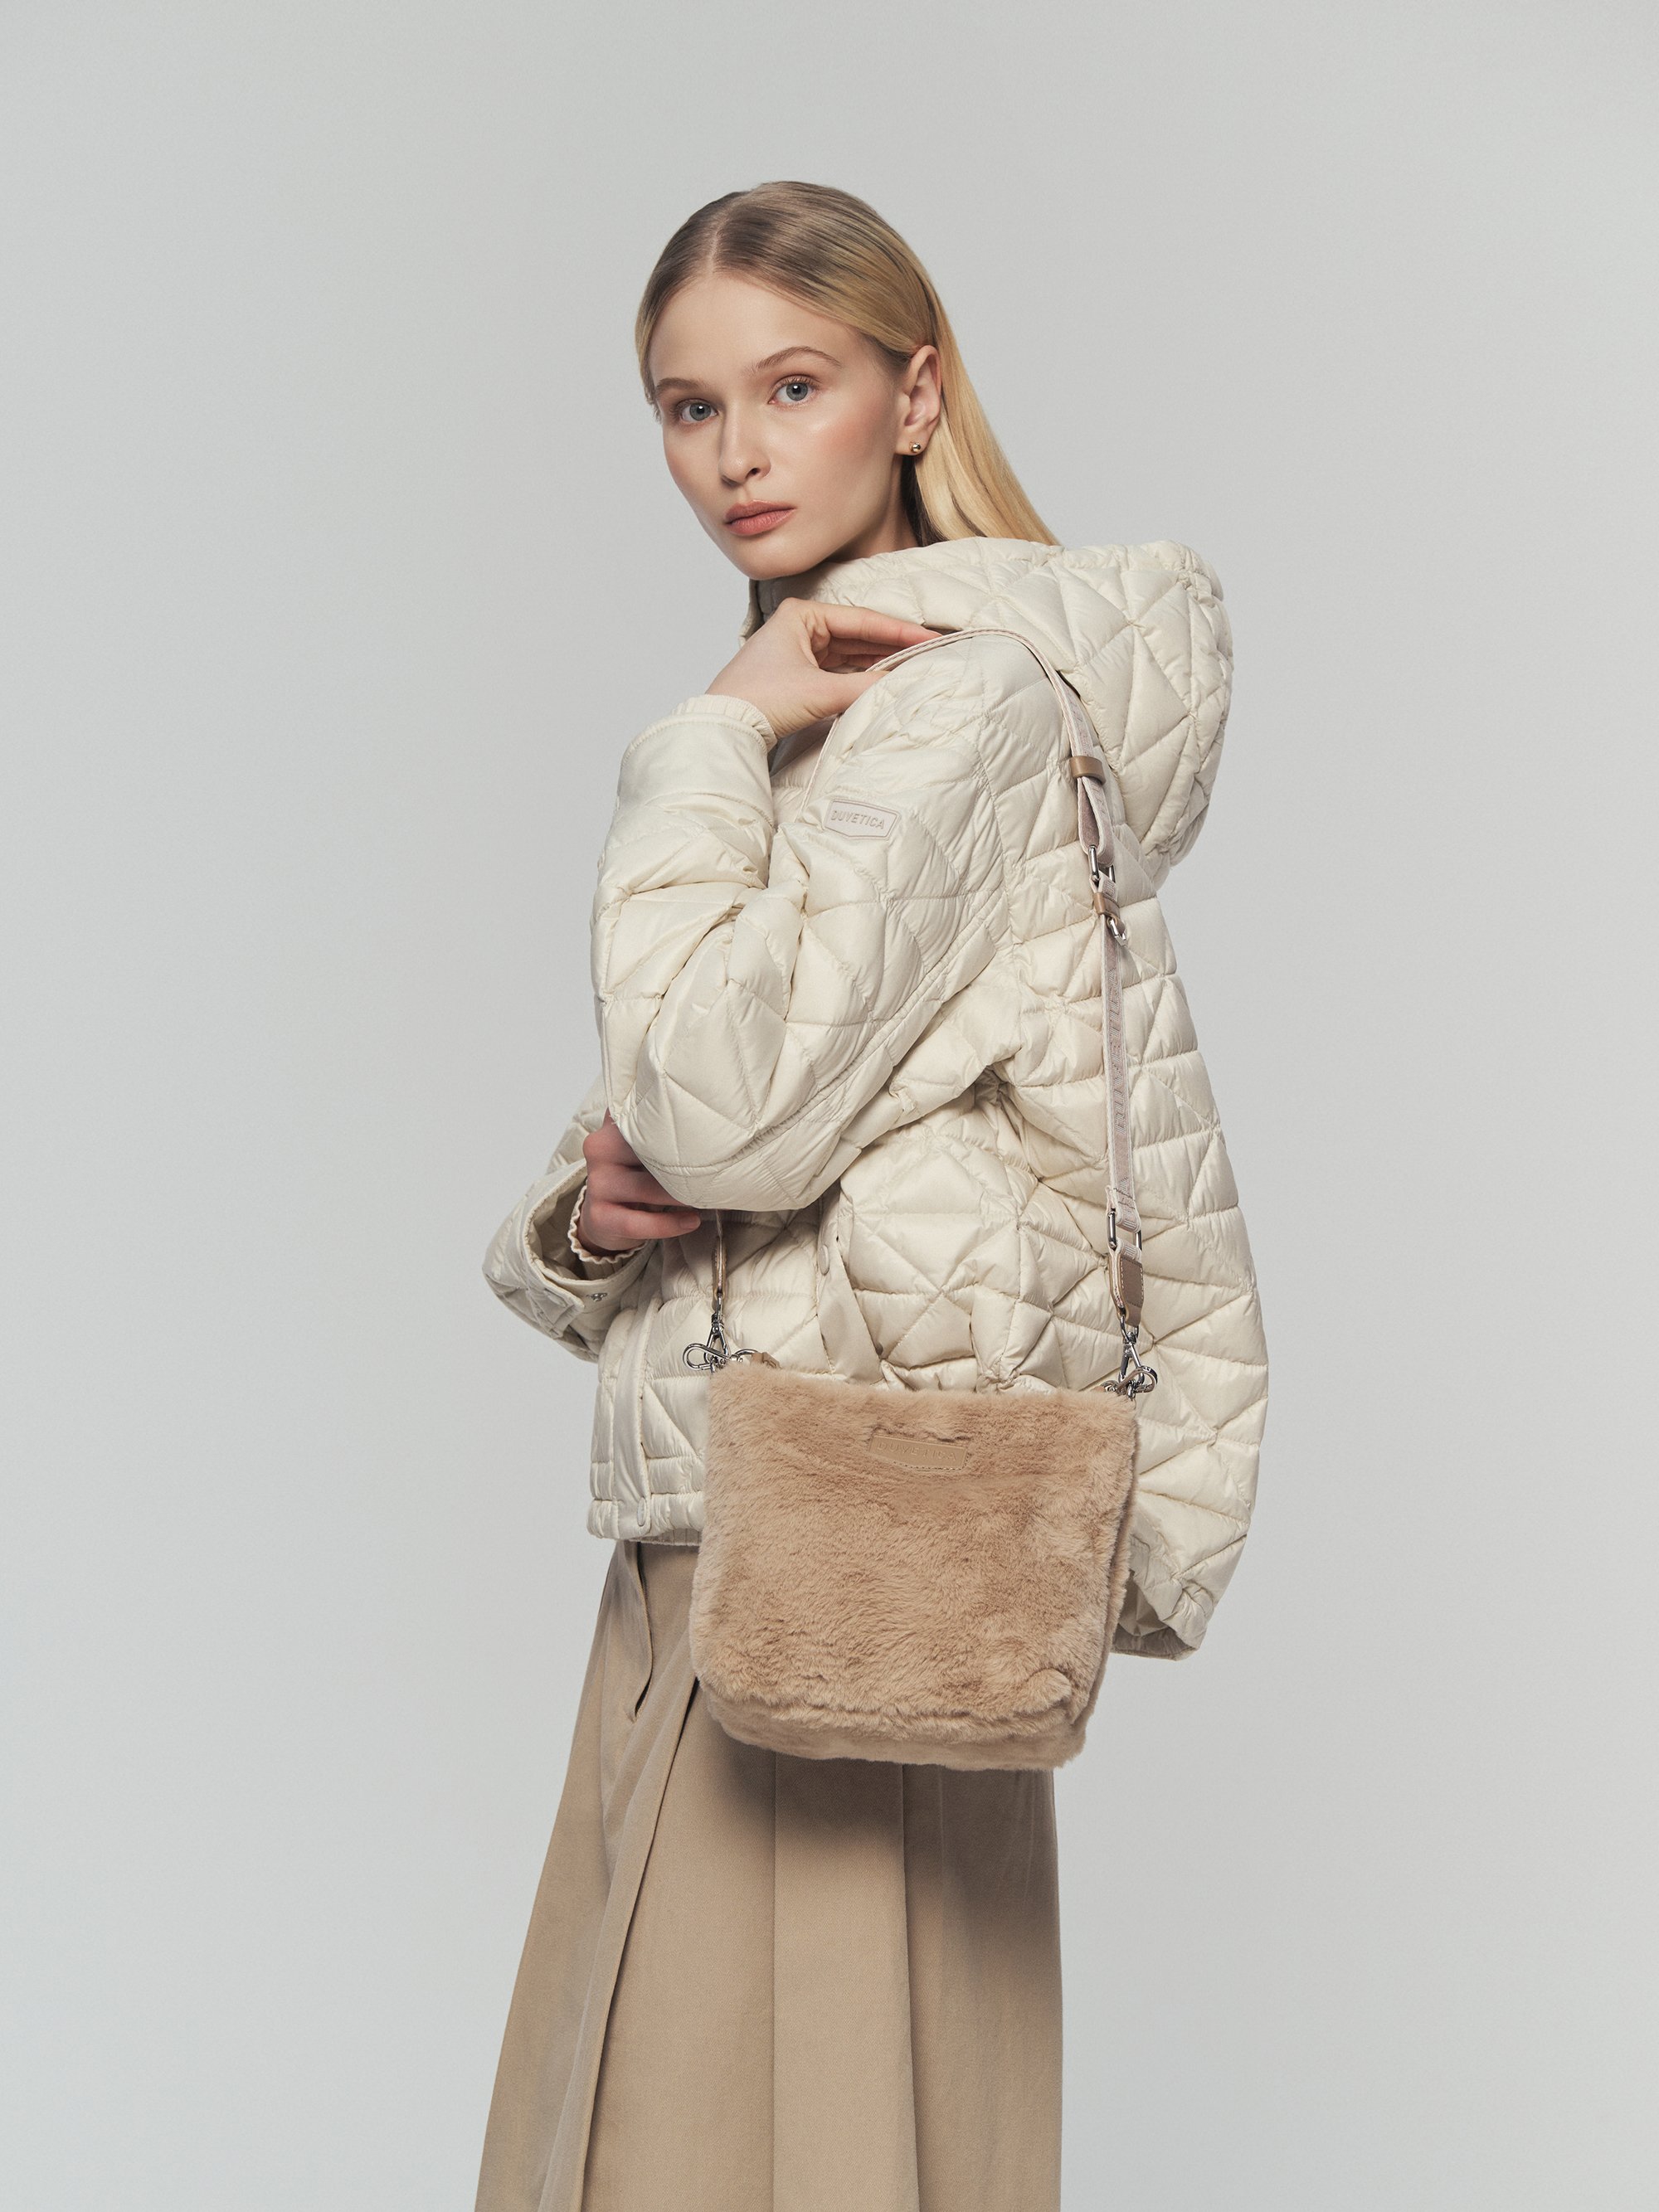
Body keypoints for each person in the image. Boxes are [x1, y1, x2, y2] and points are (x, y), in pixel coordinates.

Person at [474, 181, 1267, 2212]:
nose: (735, 454)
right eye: (688, 406)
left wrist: (701, 739)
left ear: (914, 396)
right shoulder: (845, 698)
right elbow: (675, 1123)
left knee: (737, 2147)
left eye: (794, 385)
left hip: (839, 1543)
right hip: (762, 1526)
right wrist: (589, 1216)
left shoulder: (952, 700)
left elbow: (723, 1103)